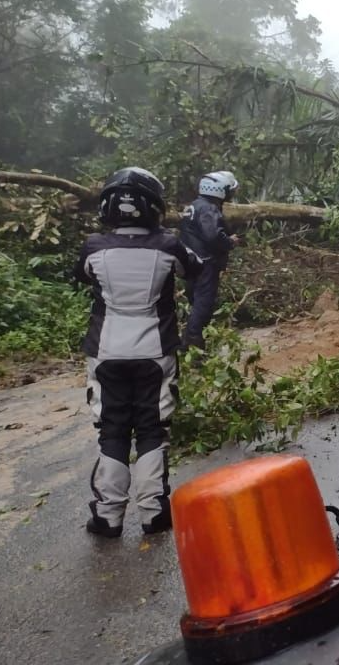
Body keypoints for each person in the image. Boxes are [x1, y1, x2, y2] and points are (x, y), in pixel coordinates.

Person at [75, 167, 201, 537]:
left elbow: (81, 275)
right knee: (151, 429)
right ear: (154, 206)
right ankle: (153, 513)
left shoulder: (93, 246)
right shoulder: (168, 244)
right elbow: (193, 268)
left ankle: (107, 516)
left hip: (106, 351)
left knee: (111, 430)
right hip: (155, 352)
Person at [179, 170, 241, 351]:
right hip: (204, 262)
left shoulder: (196, 205)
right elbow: (213, 236)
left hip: (191, 261)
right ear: (219, 189)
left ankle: (191, 340)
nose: (231, 193)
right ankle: (192, 344)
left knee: (195, 301)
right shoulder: (208, 208)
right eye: (229, 189)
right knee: (203, 304)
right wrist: (230, 241)